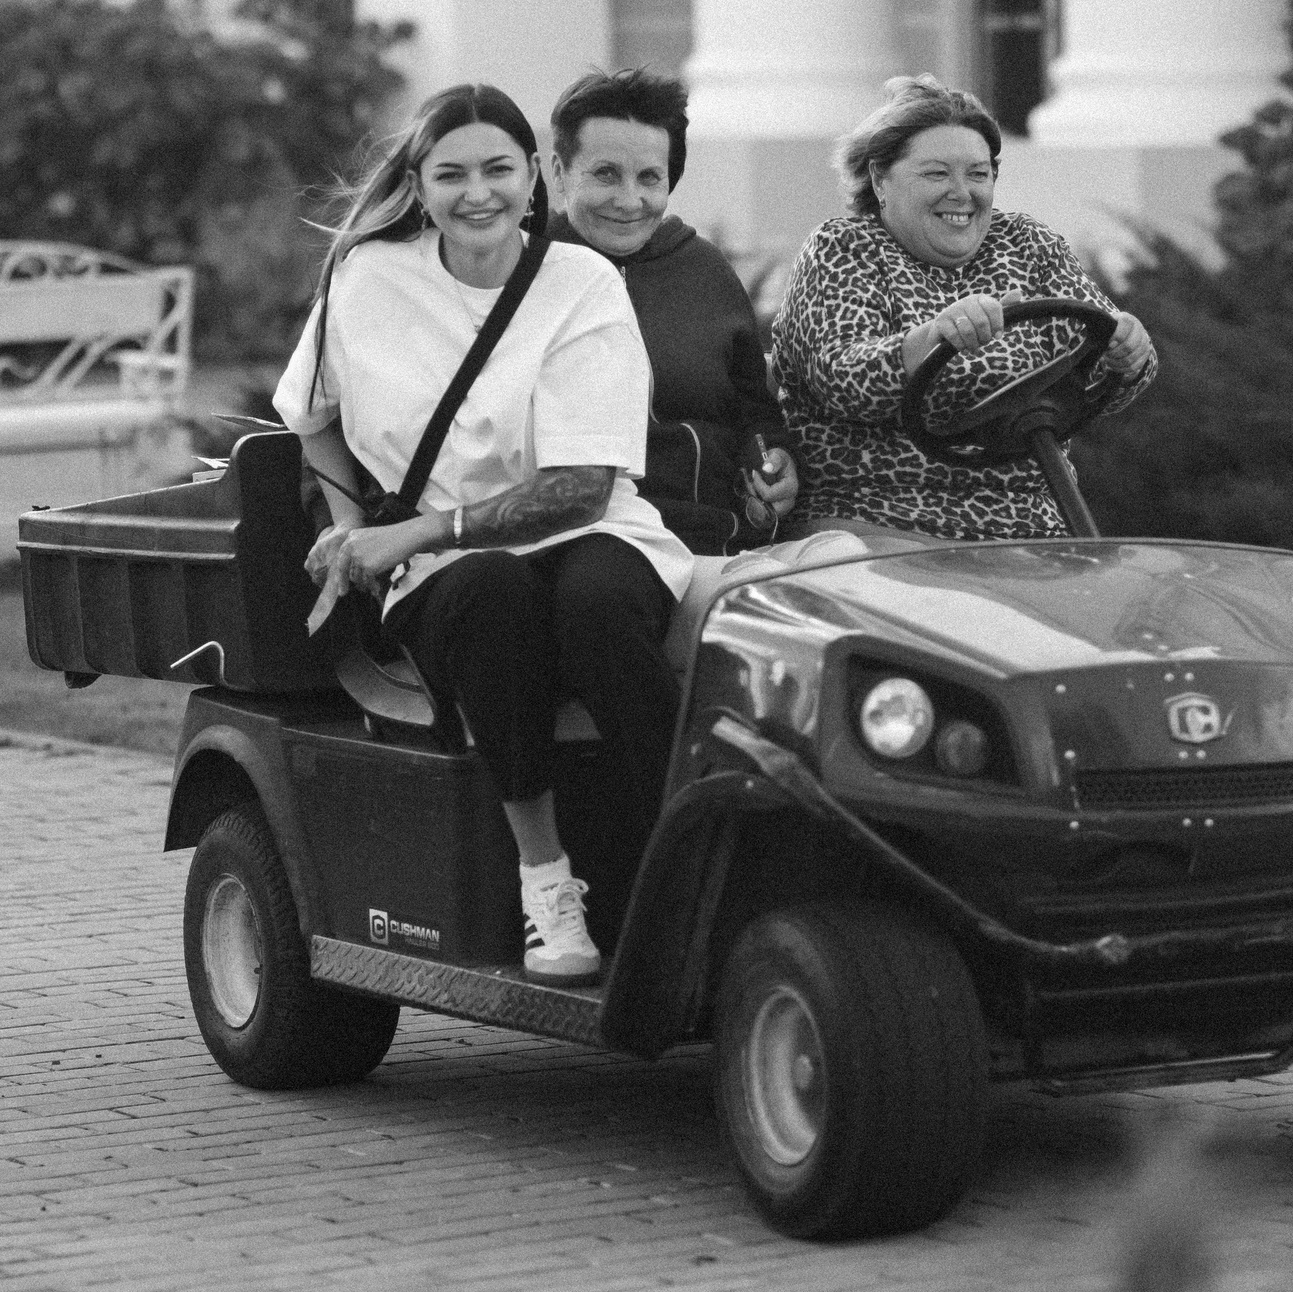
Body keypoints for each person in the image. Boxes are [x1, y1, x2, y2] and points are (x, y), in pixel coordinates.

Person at [272, 83, 692, 984]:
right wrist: (352, 529)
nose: (478, 193)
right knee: (493, 595)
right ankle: (547, 882)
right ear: (420, 186)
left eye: (498, 169)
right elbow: (310, 413)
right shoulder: (367, 277)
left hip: (588, 528)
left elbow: (580, 490)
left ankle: (683, 858)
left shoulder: (582, 283)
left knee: (598, 608)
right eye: (451, 174)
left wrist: (412, 531)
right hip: (442, 565)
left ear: (534, 176)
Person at [770, 75, 1157, 543]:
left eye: (978, 174)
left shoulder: (1027, 242)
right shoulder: (844, 247)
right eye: (937, 174)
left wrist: (1128, 355)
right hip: (873, 521)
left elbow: (1098, 367)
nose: (962, 192)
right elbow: (841, 378)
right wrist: (934, 336)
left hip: (1032, 527)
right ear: (879, 179)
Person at [543, 67, 798, 554]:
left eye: (649, 177)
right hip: (580, 544)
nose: (629, 201)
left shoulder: (704, 268)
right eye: (605, 174)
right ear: (559, 171)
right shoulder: (525, 272)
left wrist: (775, 457)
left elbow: (754, 411)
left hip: (715, 539)